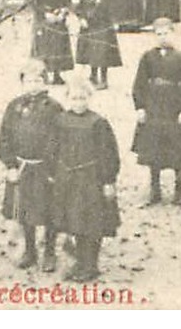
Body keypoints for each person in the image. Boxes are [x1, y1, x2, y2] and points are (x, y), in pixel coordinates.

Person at [47, 78, 121, 283]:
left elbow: (109, 154)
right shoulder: (60, 121)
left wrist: (108, 180)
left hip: (90, 180)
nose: (78, 102)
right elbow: (53, 149)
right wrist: (52, 172)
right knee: (74, 221)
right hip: (67, 179)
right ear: (67, 98)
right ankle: (79, 261)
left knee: (92, 223)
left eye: (82, 98)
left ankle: (91, 265)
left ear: (89, 98)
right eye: (74, 98)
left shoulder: (98, 123)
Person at [0, 60, 64, 272]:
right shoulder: (15, 106)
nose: (33, 84)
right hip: (22, 168)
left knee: (50, 210)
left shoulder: (54, 108)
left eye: (38, 80)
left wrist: (55, 168)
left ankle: (50, 251)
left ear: (45, 82)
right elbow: (4, 137)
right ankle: (30, 250)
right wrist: (10, 166)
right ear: (22, 83)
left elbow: (61, 139)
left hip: (46, 169)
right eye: (29, 80)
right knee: (26, 211)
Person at [131, 17, 181, 205]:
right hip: (154, 105)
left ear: (173, 33)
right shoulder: (148, 57)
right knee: (154, 147)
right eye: (159, 34)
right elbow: (139, 84)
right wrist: (140, 107)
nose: (163, 37)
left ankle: (179, 188)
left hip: (173, 105)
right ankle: (155, 188)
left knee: (177, 147)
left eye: (166, 33)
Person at [74, 0, 122, 90]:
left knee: (103, 51)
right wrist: (81, 18)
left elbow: (113, 5)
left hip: (103, 23)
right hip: (88, 24)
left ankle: (104, 78)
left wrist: (114, 20)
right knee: (91, 50)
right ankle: (93, 76)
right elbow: (77, 5)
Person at [30, 0, 75, 85]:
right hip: (43, 20)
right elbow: (34, 3)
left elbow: (68, 1)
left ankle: (57, 74)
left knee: (58, 47)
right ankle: (42, 74)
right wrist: (45, 13)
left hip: (59, 20)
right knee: (43, 47)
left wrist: (63, 12)